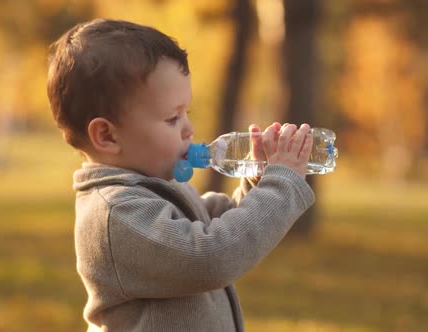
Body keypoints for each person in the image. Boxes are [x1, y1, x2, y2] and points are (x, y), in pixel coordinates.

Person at [46, 18, 315, 331]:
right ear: (107, 135)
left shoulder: (156, 187)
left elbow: (223, 226)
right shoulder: (115, 214)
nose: (189, 129)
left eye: (187, 113)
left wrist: (259, 182)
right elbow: (212, 257)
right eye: (172, 118)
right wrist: (280, 188)